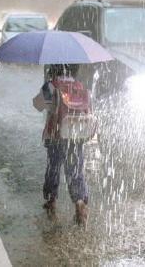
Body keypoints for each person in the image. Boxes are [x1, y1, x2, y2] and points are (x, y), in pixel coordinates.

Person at [38, 64, 89, 226]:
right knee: (75, 170)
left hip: (56, 136)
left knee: (53, 167)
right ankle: (80, 202)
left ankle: (51, 200)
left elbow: (38, 105)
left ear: (53, 69)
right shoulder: (79, 86)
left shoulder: (51, 86)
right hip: (76, 137)